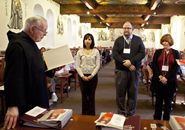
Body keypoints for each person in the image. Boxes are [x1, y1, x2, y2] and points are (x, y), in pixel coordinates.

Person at [3, 16, 56, 129]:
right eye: (43, 31)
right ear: (32, 29)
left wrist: (52, 69)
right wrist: (13, 105)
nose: (45, 34)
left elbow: (36, 67)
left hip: (37, 96)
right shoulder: (17, 45)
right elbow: (13, 78)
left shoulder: (31, 43)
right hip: (27, 101)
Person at [112, 21, 145, 116]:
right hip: (121, 71)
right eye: (124, 28)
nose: (126, 30)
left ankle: (131, 114)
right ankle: (121, 114)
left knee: (133, 94)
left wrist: (131, 62)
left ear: (132, 29)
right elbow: (115, 54)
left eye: (128, 28)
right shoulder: (118, 41)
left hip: (134, 71)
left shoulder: (138, 40)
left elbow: (142, 53)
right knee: (120, 94)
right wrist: (126, 64)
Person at [152, 34, 180, 120]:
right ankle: (156, 121)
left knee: (168, 103)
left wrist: (167, 78)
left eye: (166, 41)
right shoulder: (158, 52)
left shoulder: (175, 53)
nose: (164, 43)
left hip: (170, 82)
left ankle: (166, 121)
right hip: (159, 81)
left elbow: (177, 67)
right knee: (158, 102)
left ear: (170, 42)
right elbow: (154, 65)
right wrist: (160, 76)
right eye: (163, 41)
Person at [76, 33, 100, 115]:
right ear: (83, 41)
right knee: (84, 96)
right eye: (86, 39)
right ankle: (84, 113)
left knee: (91, 96)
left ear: (92, 41)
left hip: (92, 76)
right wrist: (82, 76)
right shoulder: (79, 52)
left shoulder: (96, 51)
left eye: (89, 39)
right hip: (82, 76)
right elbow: (77, 66)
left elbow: (97, 65)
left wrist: (91, 75)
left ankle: (92, 113)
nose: (87, 41)